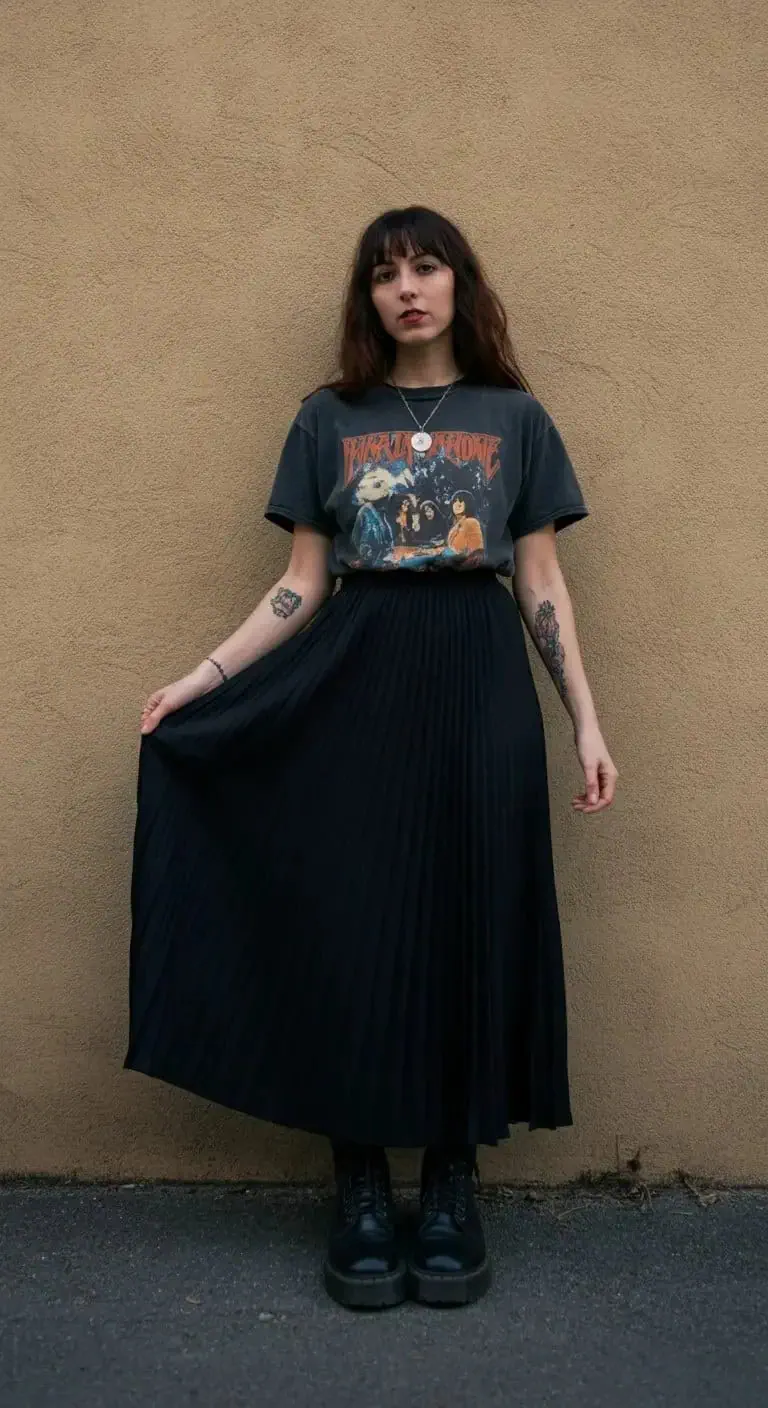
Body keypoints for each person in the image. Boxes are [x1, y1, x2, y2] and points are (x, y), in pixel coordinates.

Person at [127, 204, 618, 1312]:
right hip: (355, 679)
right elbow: (302, 584)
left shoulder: (516, 417)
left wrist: (585, 721)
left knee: (471, 914)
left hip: (481, 679)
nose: (407, 287)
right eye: (386, 272)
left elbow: (540, 582)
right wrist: (201, 681)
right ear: (368, 298)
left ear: (458, 283)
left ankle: (449, 1184)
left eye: (426, 266)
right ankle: (357, 1183)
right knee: (353, 920)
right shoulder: (327, 418)